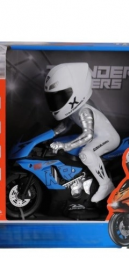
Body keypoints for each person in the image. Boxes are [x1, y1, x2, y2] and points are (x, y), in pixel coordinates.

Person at [44, 62, 120, 203]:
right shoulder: (74, 110)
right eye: (55, 98)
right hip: (97, 137)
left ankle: (106, 184)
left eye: (62, 96)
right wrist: (47, 136)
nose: (58, 101)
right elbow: (65, 126)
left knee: (86, 154)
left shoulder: (84, 111)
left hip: (108, 137)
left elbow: (88, 135)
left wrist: (65, 146)